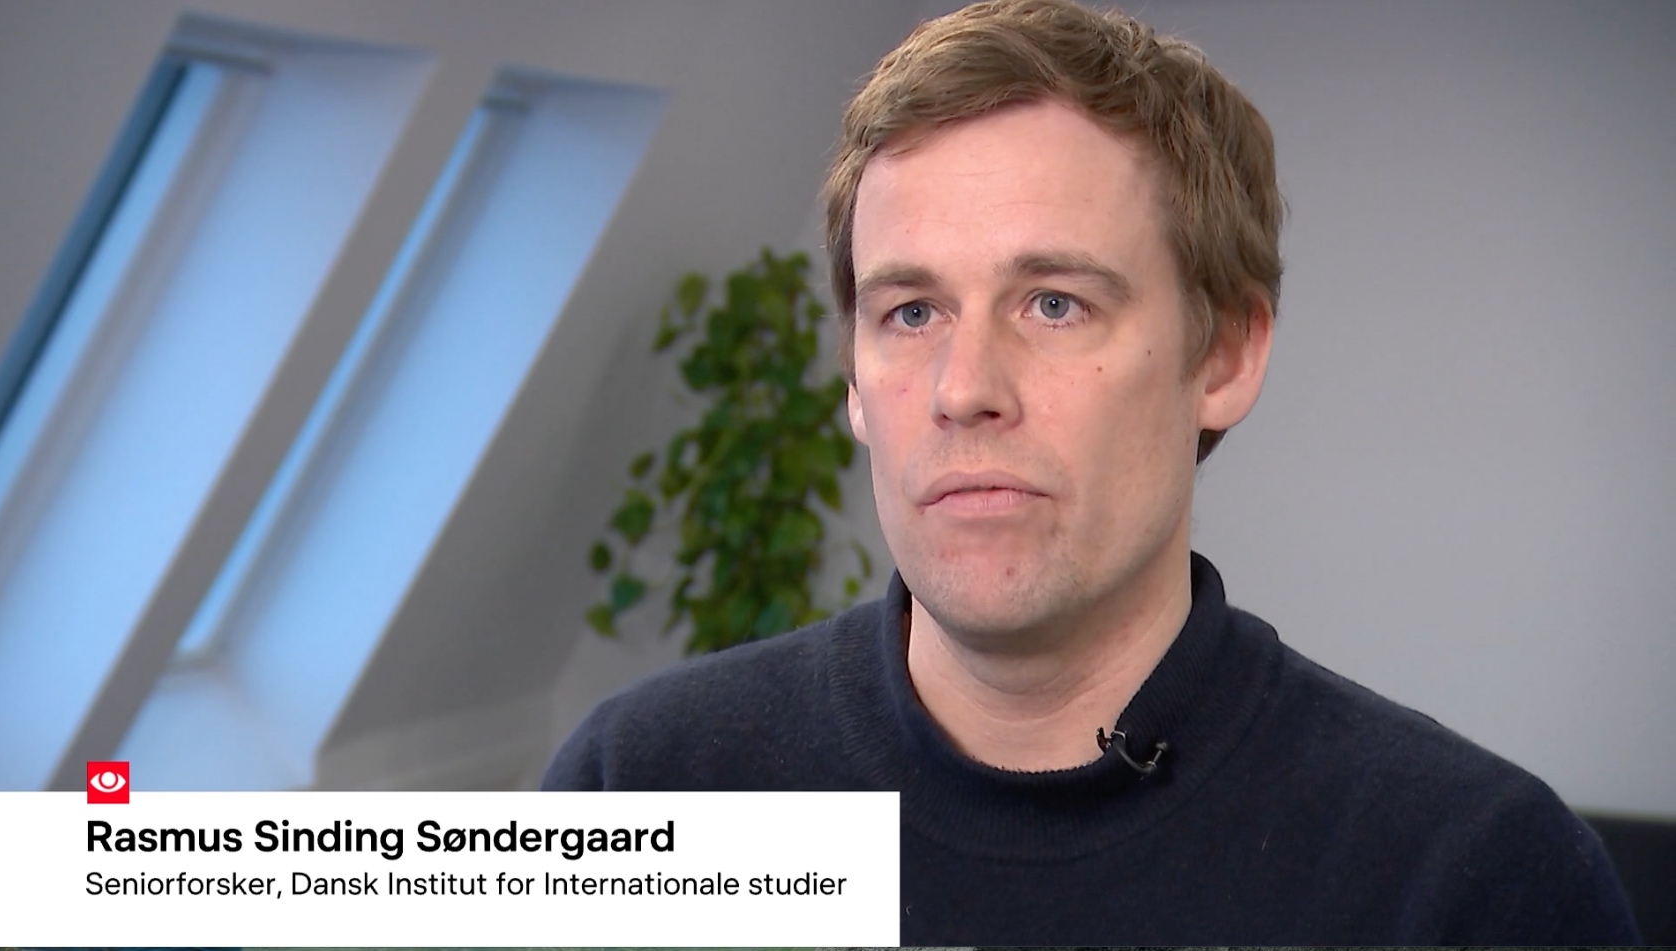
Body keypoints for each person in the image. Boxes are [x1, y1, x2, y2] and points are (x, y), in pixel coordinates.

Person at [544, 0, 1640, 943]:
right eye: (911, 312)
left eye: (1053, 303)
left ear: (1225, 355)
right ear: (854, 382)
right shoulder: (632, 794)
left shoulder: (1473, 878)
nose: (963, 387)